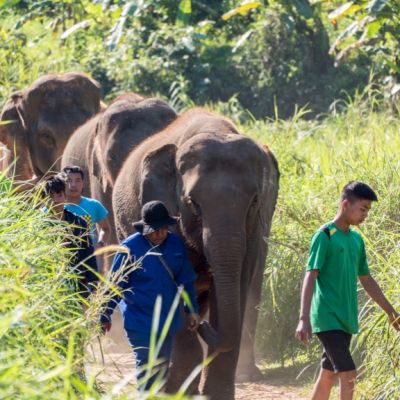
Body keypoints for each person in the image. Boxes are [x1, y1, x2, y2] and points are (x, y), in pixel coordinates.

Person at [295, 181, 400, 400]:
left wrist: (391, 313)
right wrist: (304, 318)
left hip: (346, 319)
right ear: (345, 205)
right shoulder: (325, 235)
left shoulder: (356, 240)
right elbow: (310, 275)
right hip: (327, 317)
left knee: (329, 373)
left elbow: (367, 279)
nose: (365, 215)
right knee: (349, 374)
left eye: (368, 211)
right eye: (363, 209)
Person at [100, 200, 200, 390]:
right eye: (155, 230)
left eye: (163, 229)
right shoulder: (129, 248)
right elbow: (115, 285)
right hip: (139, 319)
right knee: (147, 365)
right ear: (145, 228)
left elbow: (186, 281)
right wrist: (104, 314)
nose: (160, 234)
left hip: (166, 320)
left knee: (161, 366)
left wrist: (193, 310)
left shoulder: (176, 244)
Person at [43, 174, 98, 299]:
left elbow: (89, 254)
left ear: (65, 196)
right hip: (52, 286)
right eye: (51, 196)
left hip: (79, 283)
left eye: (59, 195)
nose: (56, 200)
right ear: (43, 200)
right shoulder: (40, 226)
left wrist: (94, 282)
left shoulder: (79, 222)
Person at [61, 165, 111, 249]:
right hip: (62, 259)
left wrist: (100, 244)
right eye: (69, 180)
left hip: (88, 258)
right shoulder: (56, 206)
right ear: (63, 183)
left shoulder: (94, 205)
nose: (73, 185)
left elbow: (106, 228)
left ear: (83, 184)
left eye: (78, 180)